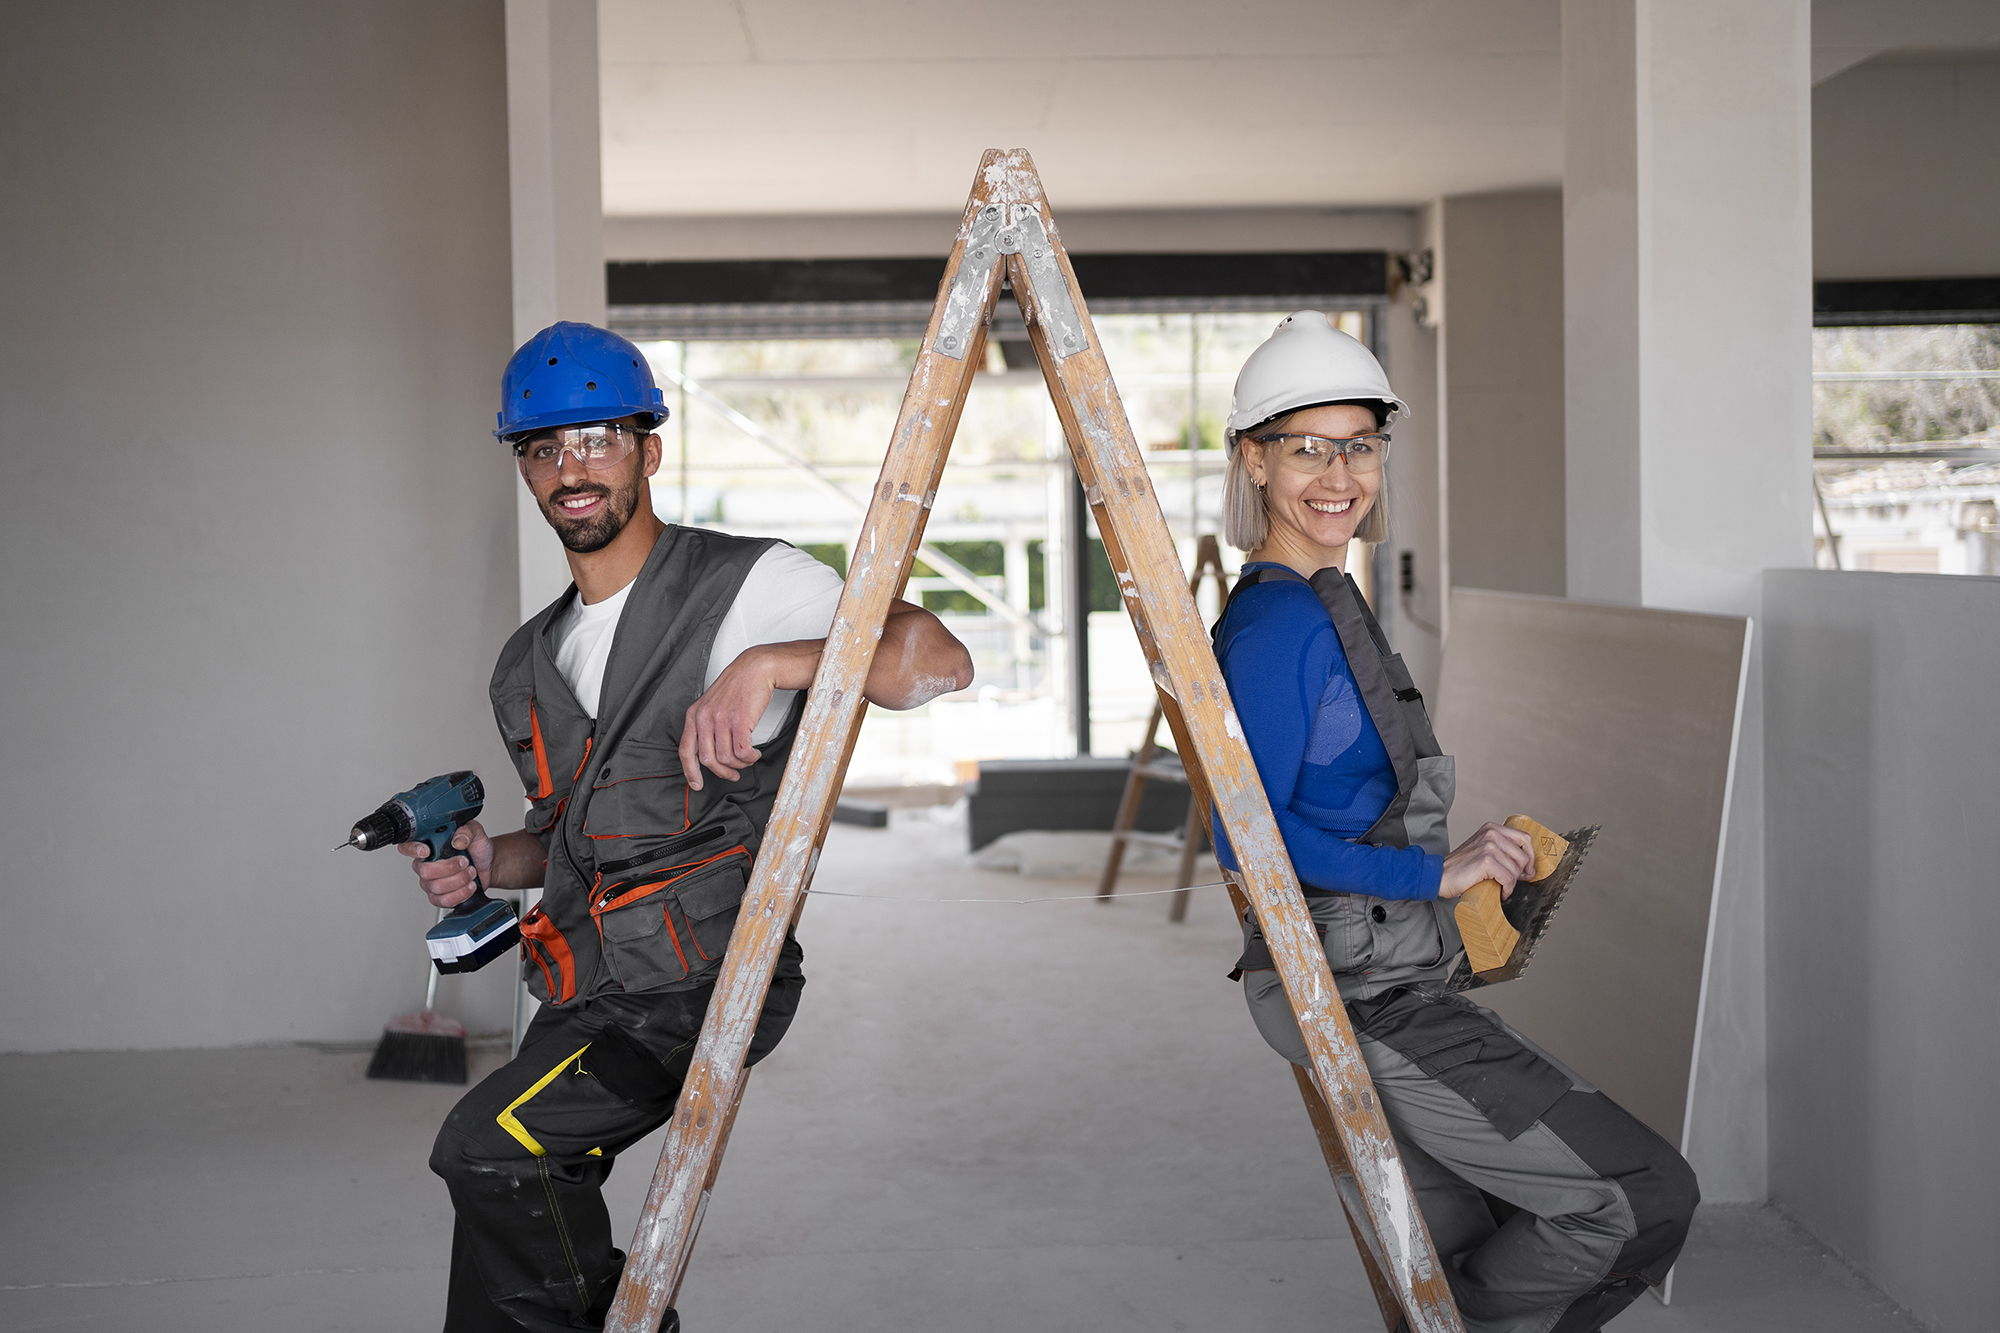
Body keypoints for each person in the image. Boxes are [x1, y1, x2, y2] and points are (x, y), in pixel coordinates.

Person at [406, 321, 973, 1333]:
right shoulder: (526, 661)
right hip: (590, 989)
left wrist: (771, 663)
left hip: (697, 985)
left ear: (649, 450)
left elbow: (932, 657)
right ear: (524, 468)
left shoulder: (749, 586)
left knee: (487, 1146)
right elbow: (574, 842)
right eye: (543, 448)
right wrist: (495, 860)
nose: (570, 469)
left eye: (597, 440)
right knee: (498, 1195)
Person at [1211, 312, 1697, 1333]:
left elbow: (1340, 800)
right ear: (1253, 460)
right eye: (1307, 446)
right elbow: (1242, 838)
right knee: (1634, 1198)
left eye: (1359, 444)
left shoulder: (1325, 595)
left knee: (1483, 1225)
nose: (1338, 472)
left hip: (1396, 972)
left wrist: (1459, 879)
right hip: (1362, 993)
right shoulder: (1275, 622)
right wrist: (1429, 881)